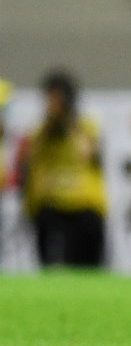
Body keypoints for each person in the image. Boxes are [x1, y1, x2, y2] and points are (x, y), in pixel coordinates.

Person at [19, 70, 106, 266]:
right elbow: (29, 161)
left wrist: (69, 125)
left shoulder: (85, 128)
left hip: (83, 205)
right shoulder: (40, 132)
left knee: (87, 256)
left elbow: (89, 154)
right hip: (51, 204)